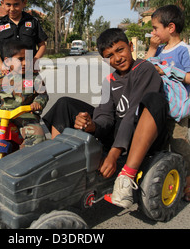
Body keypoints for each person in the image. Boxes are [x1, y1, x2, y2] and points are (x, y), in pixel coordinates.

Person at [42, 28, 168, 208]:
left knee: (154, 101)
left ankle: (126, 178)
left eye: (120, 50)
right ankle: (59, 160)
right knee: (64, 104)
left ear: (130, 46)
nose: (117, 58)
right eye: (110, 56)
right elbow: (105, 117)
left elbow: (132, 113)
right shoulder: (109, 81)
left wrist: (112, 155)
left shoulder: (144, 69)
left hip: (144, 135)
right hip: (119, 132)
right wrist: (91, 125)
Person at [145, 4, 190, 202]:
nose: (153, 32)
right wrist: (151, 48)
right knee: (158, 145)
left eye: (155, 27)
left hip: (177, 110)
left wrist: (167, 71)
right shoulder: (158, 49)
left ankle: (189, 184)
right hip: (159, 108)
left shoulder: (185, 51)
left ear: (171, 28)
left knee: (179, 145)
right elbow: (143, 67)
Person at [0, 40, 49, 150]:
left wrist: (37, 102)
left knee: (38, 137)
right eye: (20, 59)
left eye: (27, 59)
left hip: (26, 117)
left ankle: (22, 156)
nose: (24, 63)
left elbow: (43, 95)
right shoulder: (0, 80)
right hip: (3, 117)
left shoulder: (34, 78)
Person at [0, 0, 47, 73]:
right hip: (9, 73)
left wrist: (34, 61)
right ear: (2, 4)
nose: (12, 9)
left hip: (29, 71)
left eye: (16, 4)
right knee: (0, 86)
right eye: (8, 5)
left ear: (24, 3)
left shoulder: (33, 22)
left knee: (36, 86)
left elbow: (42, 45)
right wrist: (2, 66)